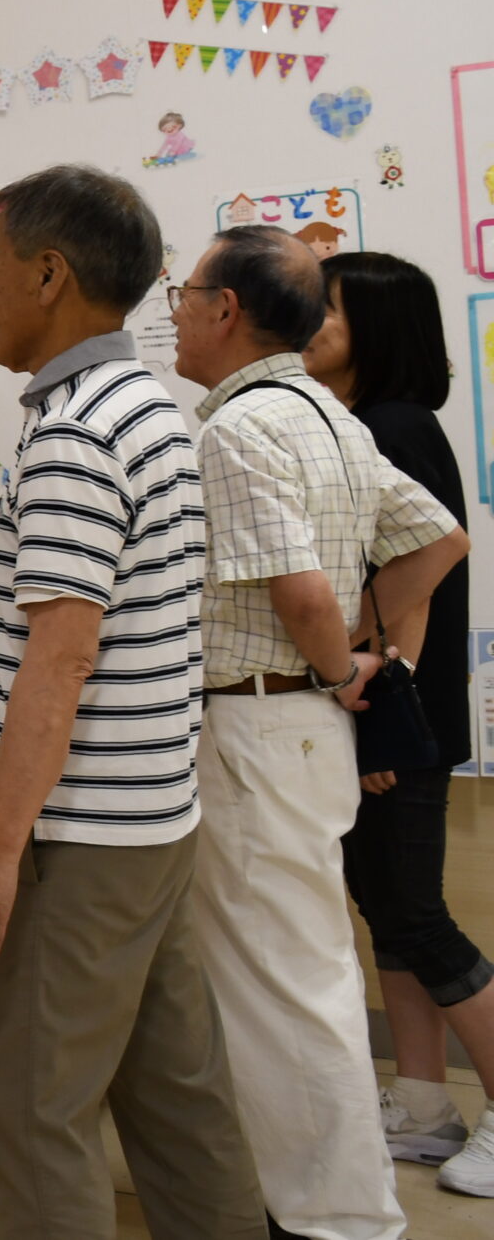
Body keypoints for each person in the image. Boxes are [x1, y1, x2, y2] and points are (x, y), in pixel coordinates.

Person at [0, 165, 265, 1239]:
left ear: (49, 274)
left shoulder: (71, 435)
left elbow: (57, 665)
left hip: (75, 843)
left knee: (29, 1119)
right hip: (151, 826)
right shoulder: (149, 407)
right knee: (175, 1100)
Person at [172, 224, 469, 1240]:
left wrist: (346, 665)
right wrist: (378, 657)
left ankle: (337, 1221)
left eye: (183, 292)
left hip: (261, 724)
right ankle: (335, 1207)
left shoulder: (238, 431)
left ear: (224, 311)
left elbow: (300, 590)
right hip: (300, 735)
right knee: (306, 975)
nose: (171, 310)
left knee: (282, 988)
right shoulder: (329, 421)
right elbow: (436, 539)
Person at [306, 251, 494, 1194]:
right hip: (388, 714)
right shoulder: (360, 424)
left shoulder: (390, 427)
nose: (305, 319)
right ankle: (422, 1106)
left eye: (325, 307)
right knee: (388, 911)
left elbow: (414, 577)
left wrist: (380, 717)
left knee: (416, 915)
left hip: (397, 717)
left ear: (372, 327)